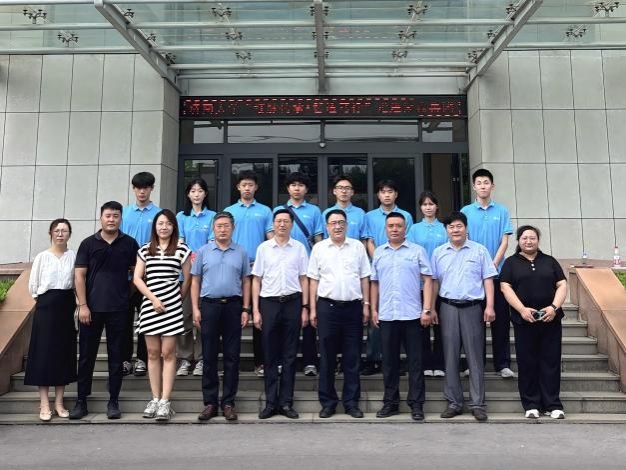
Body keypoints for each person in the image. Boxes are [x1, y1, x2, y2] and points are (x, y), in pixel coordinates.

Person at [70, 201, 139, 420]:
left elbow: (137, 274)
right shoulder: (88, 243)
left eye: (116, 216)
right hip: (91, 310)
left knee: (116, 357)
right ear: (101, 218)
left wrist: (125, 295)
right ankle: (81, 401)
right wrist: (82, 305)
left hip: (119, 310)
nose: (111, 220)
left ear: (121, 219)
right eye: (108, 216)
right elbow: (79, 276)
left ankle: (113, 401)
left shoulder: (129, 244)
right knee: (86, 357)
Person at [431, 211, 497, 422]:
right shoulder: (439, 252)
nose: (455, 230)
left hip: (473, 308)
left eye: (459, 226)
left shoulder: (479, 250)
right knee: (450, 356)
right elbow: (434, 282)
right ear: (446, 230)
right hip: (448, 307)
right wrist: (431, 308)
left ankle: (477, 404)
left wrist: (490, 306)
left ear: (466, 228)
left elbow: (488, 279)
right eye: (451, 227)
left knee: (475, 357)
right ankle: (454, 402)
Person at [308, 209, 371, 419]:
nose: (337, 226)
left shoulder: (357, 247)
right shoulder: (319, 248)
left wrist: (366, 304)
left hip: (353, 308)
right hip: (328, 308)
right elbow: (313, 280)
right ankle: (328, 403)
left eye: (341, 222)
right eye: (333, 223)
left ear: (347, 225)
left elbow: (364, 277)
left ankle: (351, 403)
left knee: (352, 357)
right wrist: (313, 309)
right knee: (327, 357)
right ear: (327, 227)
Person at [500, 225, 568, 419]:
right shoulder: (511, 263)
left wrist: (553, 307)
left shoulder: (549, 261)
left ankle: (552, 404)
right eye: (524, 238)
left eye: (532, 238)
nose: (528, 241)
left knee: (551, 362)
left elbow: (562, 284)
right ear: (518, 241)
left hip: (550, 319)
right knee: (527, 362)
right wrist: (522, 309)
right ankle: (531, 404)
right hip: (524, 321)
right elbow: (505, 287)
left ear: (538, 240)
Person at [371, 212, 433, 421]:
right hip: (387, 315)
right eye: (391, 226)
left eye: (399, 225)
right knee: (389, 363)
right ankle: (391, 403)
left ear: (405, 228)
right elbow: (374, 282)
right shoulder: (379, 252)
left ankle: (417, 404)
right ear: (385, 229)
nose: (395, 229)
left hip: (412, 315)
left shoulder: (417, 251)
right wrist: (373, 309)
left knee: (416, 362)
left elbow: (428, 280)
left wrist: (427, 309)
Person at [191, 212, 251, 422]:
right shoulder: (203, 251)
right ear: (213, 229)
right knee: (209, 356)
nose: (223, 229)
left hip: (233, 306)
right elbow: (195, 281)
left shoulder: (241, 252)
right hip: (209, 306)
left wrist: (246, 309)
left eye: (226, 226)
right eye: (219, 226)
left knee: (232, 357)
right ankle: (210, 403)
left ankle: (228, 403)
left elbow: (246, 281)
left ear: (233, 228)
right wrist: (195, 308)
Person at [133, 209, 192, 422]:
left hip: (172, 308)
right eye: (160, 223)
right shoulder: (145, 249)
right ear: (155, 226)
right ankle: (155, 398)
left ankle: (165, 401)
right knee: (152, 353)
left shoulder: (182, 249)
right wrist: (153, 299)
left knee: (168, 353)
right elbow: (137, 278)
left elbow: (188, 279)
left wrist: (177, 298)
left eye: (168, 223)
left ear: (174, 226)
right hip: (150, 306)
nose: (164, 227)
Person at [252, 209, 309, 419]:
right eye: (278, 221)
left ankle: (286, 402)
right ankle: (270, 403)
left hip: (293, 303)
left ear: (291, 224)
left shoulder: (299, 248)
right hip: (269, 303)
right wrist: (255, 310)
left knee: (290, 355)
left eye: (286, 221)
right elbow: (256, 279)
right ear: (273, 224)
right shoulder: (264, 248)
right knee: (269, 355)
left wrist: (305, 307)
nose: (282, 225)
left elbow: (304, 278)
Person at [461, 168, 515, 379]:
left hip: (497, 273)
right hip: (473, 275)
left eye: (486, 182)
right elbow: (465, 240)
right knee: (475, 323)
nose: (483, 186)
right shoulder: (466, 211)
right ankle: (475, 364)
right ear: (474, 187)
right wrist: (480, 266)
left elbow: (505, 241)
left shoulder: (501, 211)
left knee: (500, 321)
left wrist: (492, 265)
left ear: (492, 186)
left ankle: (503, 364)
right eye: (479, 183)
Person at [25, 219, 77, 421]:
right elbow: (33, 285)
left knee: (63, 353)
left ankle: (59, 402)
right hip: (46, 308)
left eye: (64, 230)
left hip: (66, 306)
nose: (60, 234)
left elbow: (77, 282)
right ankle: (45, 403)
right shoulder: (42, 257)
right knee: (44, 353)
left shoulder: (74, 256)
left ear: (69, 234)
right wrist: (44, 302)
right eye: (57, 230)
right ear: (51, 233)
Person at [362, 179, 414, 376]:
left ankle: (395, 361)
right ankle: (373, 359)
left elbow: (407, 240)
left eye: (390, 191)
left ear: (396, 194)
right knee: (376, 316)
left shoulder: (406, 216)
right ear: (378, 195)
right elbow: (368, 241)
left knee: (398, 316)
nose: (386, 195)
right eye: (383, 191)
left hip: (400, 271)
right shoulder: (369, 216)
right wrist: (380, 259)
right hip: (378, 270)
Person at [224, 171, 273, 379]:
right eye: (244, 184)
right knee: (234, 315)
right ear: (238, 187)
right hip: (234, 269)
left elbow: (270, 237)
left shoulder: (265, 211)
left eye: (250, 185)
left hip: (258, 269)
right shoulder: (229, 211)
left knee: (259, 316)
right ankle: (231, 363)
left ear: (256, 188)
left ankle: (260, 362)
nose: (247, 188)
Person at [274, 172, 323, 378]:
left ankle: (310, 361)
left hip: (308, 270)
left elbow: (318, 239)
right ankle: (282, 360)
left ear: (306, 189)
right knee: (283, 317)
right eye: (293, 185)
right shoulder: (279, 211)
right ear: (288, 188)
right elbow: (272, 237)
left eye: (301, 185)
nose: (297, 188)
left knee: (309, 313)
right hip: (284, 269)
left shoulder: (314, 211)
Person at [121, 171, 160, 377]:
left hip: (149, 275)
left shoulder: (159, 215)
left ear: (152, 188)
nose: (142, 191)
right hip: (126, 276)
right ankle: (125, 359)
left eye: (145, 187)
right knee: (124, 319)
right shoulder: (124, 213)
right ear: (133, 189)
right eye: (138, 188)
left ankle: (142, 359)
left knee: (147, 319)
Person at [176, 178, 216, 377]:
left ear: (205, 193)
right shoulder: (181, 216)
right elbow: (179, 241)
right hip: (183, 274)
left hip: (206, 274)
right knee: (184, 317)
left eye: (200, 190)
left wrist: (197, 258)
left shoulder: (213, 216)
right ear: (188, 194)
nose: (196, 194)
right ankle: (185, 358)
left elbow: (212, 242)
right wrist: (189, 258)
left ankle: (201, 359)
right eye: (193, 191)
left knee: (202, 319)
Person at [407, 191, 447, 377]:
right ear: (420, 207)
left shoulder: (444, 228)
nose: (428, 207)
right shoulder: (414, 229)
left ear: (436, 206)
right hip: (420, 284)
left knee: (440, 325)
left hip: (442, 283)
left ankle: (439, 363)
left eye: (431, 204)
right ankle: (425, 364)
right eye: (425, 204)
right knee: (421, 326)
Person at [322, 175, 367, 241]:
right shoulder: (326, 213)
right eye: (340, 188)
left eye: (347, 188)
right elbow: (324, 238)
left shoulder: (360, 213)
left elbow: (364, 239)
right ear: (334, 191)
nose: (344, 191)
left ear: (352, 192)